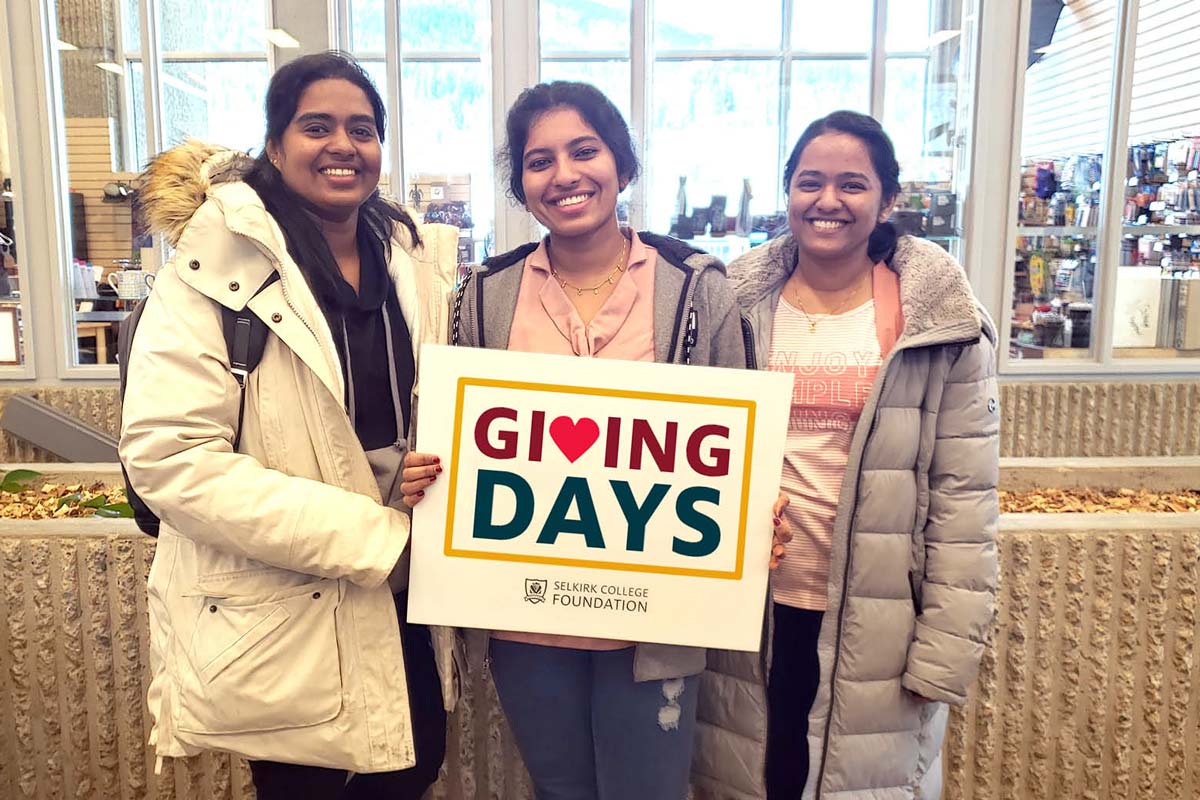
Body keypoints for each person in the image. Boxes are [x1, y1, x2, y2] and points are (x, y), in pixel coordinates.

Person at [400, 80, 789, 800]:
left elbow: (740, 440)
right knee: (560, 790)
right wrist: (425, 474)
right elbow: (453, 437)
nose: (565, 175)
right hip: (525, 619)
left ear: (623, 162)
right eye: (539, 160)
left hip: (658, 620)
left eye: (585, 150)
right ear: (520, 183)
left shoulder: (696, 287)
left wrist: (753, 509)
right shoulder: (482, 295)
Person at [119, 52, 460, 800]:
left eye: (363, 129)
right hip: (290, 611)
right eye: (317, 127)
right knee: (313, 783)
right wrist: (375, 532)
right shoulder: (211, 274)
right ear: (275, 147)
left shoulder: (408, 262)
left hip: (403, 597)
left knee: (413, 764)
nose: (344, 145)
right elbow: (173, 460)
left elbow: (406, 419)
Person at [693, 110, 999, 799]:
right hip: (749, 614)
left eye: (852, 185)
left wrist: (946, 651)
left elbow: (964, 500)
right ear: (787, 192)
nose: (827, 201)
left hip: (876, 620)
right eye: (810, 182)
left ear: (887, 200)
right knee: (755, 781)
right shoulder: (729, 304)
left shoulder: (939, 321)